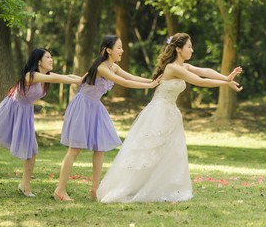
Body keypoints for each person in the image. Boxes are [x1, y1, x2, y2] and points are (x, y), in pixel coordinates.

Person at [96, 33, 242, 203]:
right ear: (178, 49)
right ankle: (131, 186)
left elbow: (203, 71)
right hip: (159, 113)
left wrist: (226, 77)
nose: (192, 50)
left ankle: (158, 187)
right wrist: (226, 83)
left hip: (171, 113)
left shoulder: (182, 66)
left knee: (168, 153)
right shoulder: (173, 68)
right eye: (189, 47)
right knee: (149, 152)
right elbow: (200, 81)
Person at [0, 48, 82, 197]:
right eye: (47, 57)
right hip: (9, 112)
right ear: (39, 61)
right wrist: (78, 81)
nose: (51, 60)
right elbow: (57, 79)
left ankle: (25, 185)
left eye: (51, 57)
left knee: (32, 150)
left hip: (24, 114)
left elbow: (65, 76)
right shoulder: (30, 76)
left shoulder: (46, 76)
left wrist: (84, 78)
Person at [54, 35, 161, 202]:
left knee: (100, 148)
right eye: (119, 47)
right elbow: (124, 83)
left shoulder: (113, 67)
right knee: (74, 149)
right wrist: (150, 86)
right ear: (109, 50)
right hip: (83, 106)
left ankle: (95, 189)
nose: (122, 50)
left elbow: (131, 77)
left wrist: (154, 81)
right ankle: (60, 189)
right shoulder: (102, 68)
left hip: (95, 107)